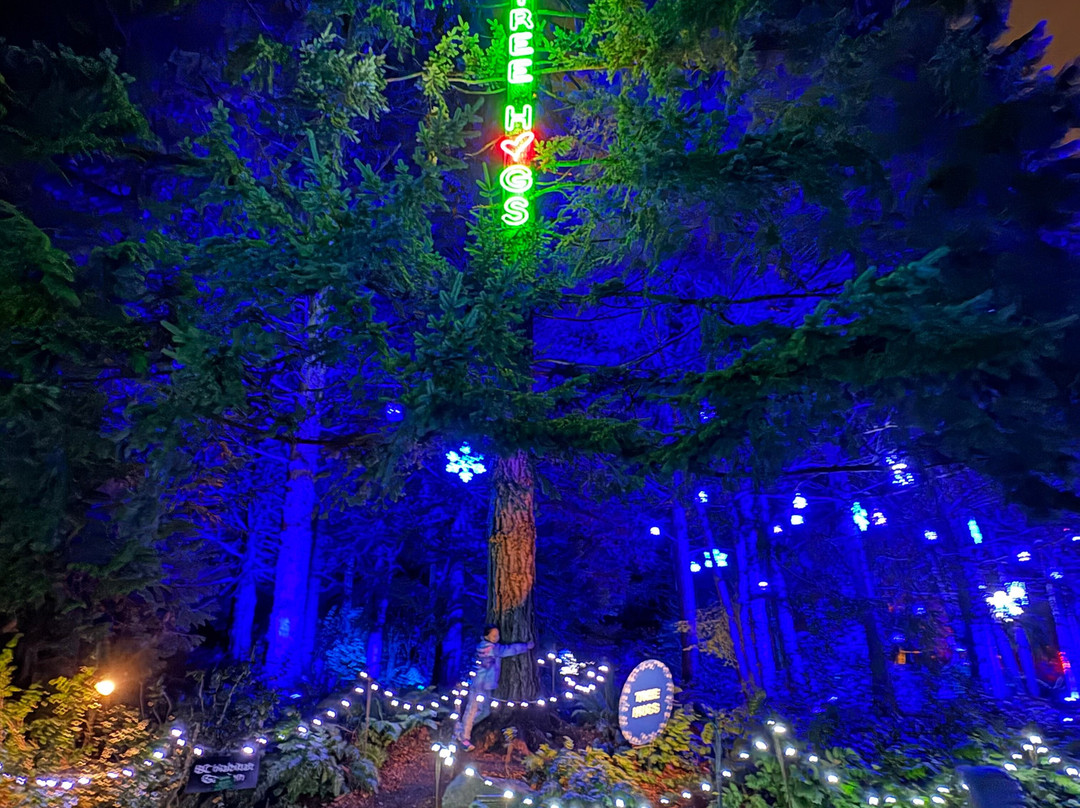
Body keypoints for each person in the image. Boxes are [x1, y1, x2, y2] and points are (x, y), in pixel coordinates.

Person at [454, 624, 533, 750]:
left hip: (485, 685)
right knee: (472, 710)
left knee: (484, 711)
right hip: (479, 684)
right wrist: (526, 646)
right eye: (494, 635)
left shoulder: (486, 646)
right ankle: (464, 738)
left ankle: (463, 730)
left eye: (498, 635)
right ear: (486, 636)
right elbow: (508, 650)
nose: (497, 637)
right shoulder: (490, 648)